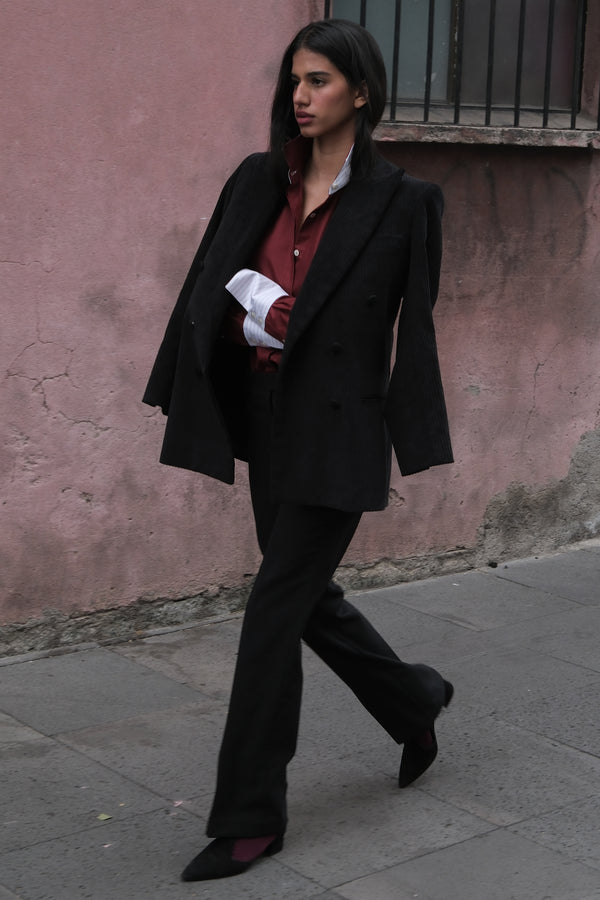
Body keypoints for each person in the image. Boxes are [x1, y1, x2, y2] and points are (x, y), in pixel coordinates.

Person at [143, 18, 454, 882]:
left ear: (362, 91)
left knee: (275, 609)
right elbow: (206, 281)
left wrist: (410, 435)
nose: (300, 95)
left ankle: (251, 817)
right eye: (294, 80)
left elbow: (414, 333)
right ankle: (413, 698)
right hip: (266, 415)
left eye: (319, 80)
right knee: (308, 598)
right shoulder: (257, 179)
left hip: (342, 429)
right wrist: (189, 373)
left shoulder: (406, 202)